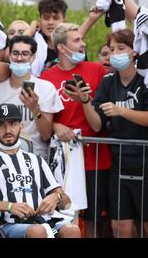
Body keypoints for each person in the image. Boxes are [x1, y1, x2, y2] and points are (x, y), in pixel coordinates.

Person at [40, 23, 112, 238]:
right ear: (62, 48)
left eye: (82, 39)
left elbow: (100, 120)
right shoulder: (47, 78)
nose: (84, 43)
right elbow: (44, 121)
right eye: (77, 40)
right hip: (64, 162)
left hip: (96, 158)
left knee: (93, 221)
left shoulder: (96, 70)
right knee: (64, 217)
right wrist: (55, 125)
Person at [76, 29, 148, 238]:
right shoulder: (108, 81)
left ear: (134, 51)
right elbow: (97, 125)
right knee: (119, 226)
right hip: (119, 161)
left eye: (121, 48)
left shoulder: (145, 79)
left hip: (144, 160)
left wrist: (121, 111)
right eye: (111, 49)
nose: (115, 54)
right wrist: (85, 102)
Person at [0, 103, 81, 238]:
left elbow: (67, 202)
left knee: (72, 231)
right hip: (6, 225)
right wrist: (9, 206)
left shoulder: (36, 160)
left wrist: (57, 197)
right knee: (37, 231)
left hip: (43, 221)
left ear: (21, 126)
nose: (8, 130)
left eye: (13, 123)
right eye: (1, 125)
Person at [0, 35, 63, 160]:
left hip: (34, 159)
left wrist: (35, 108)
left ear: (33, 58)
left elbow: (46, 135)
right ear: (9, 55)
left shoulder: (46, 88)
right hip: (2, 159)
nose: (19, 58)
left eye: (25, 54)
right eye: (15, 53)